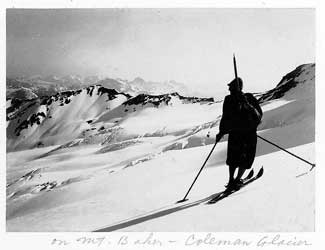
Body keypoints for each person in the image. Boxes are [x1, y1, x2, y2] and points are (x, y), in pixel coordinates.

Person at [215, 77, 263, 190]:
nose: (229, 89)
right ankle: (233, 180)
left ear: (237, 87)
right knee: (235, 158)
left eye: (231, 87)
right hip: (238, 133)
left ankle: (236, 179)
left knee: (243, 158)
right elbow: (226, 117)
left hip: (247, 133)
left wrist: (247, 104)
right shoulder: (229, 99)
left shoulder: (248, 98)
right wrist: (221, 132)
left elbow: (258, 115)